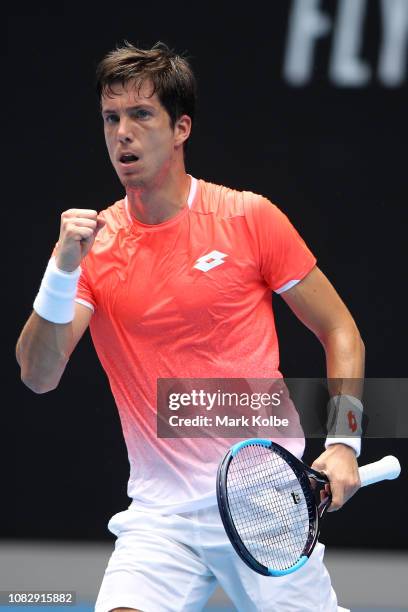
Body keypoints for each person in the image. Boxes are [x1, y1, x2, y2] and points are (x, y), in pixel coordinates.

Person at [16, 41, 365, 612]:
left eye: (140, 115)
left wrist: (345, 443)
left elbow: (341, 331)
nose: (121, 133)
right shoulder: (91, 248)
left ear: (180, 128)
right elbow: (37, 375)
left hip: (263, 503)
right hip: (161, 516)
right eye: (111, 118)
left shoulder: (249, 217)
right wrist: (60, 271)